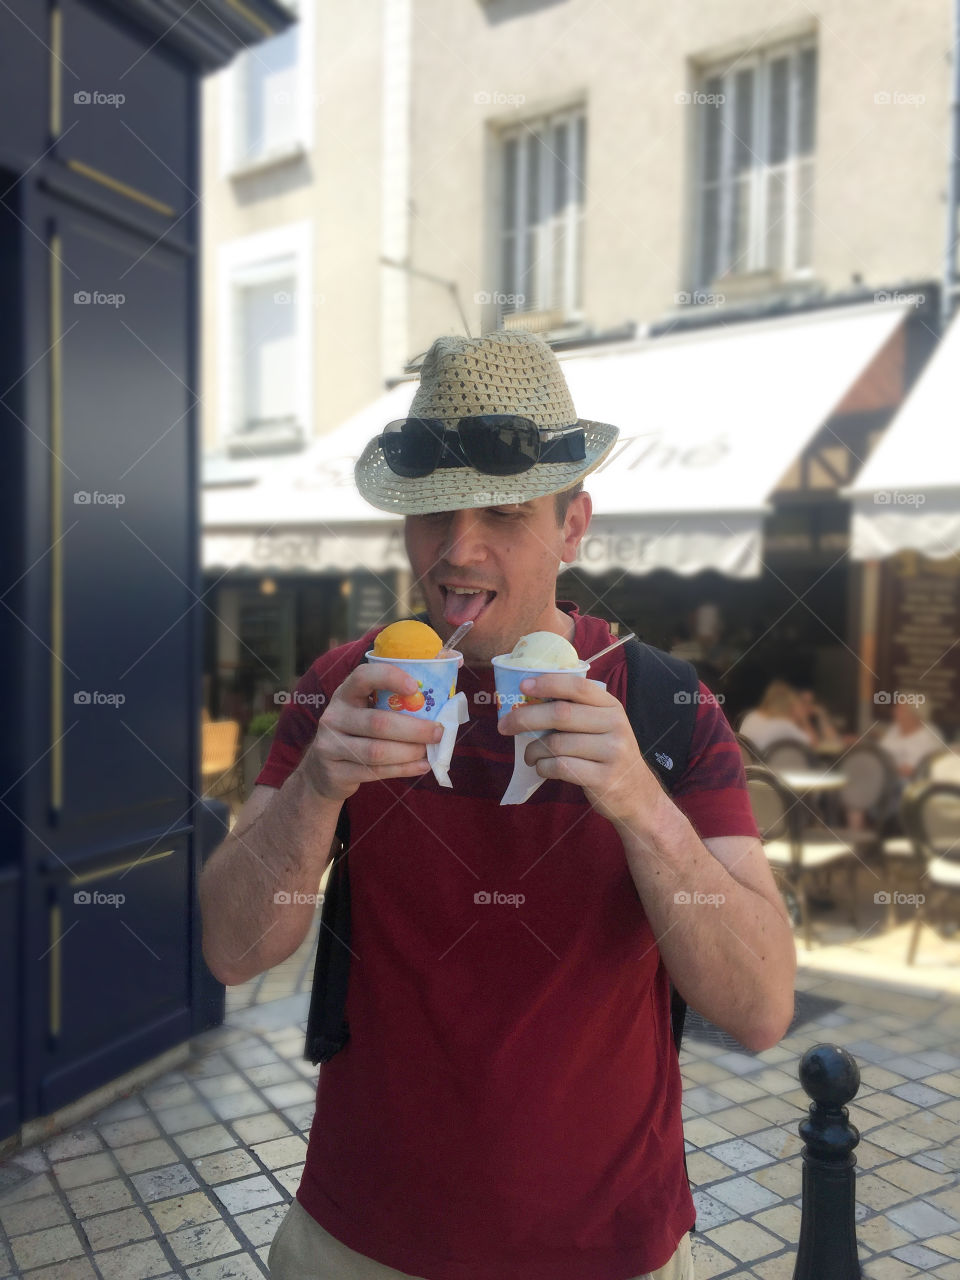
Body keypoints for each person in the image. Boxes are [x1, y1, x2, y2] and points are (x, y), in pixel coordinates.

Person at [199, 332, 796, 1280]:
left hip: (608, 1248)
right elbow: (232, 950)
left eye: (505, 515)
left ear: (573, 526)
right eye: (434, 514)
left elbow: (760, 1007)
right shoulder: (340, 687)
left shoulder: (667, 703)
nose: (457, 551)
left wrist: (640, 803)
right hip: (360, 1240)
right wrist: (317, 785)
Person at [738, 680, 813, 755]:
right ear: (788, 705)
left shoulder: (750, 716)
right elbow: (810, 744)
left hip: (746, 761)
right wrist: (804, 719)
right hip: (768, 762)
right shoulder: (784, 725)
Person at [879, 696, 942, 778]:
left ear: (915, 714)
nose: (895, 711)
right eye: (896, 708)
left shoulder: (928, 738)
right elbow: (880, 751)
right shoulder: (895, 728)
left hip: (907, 782)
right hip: (882, 775)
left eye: (901, 710)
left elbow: (909, 772)